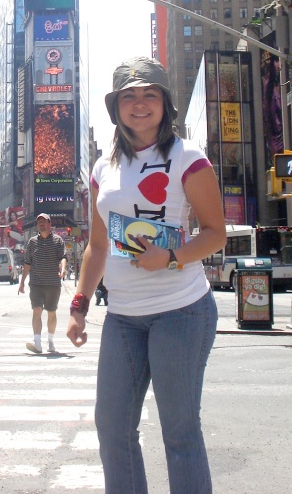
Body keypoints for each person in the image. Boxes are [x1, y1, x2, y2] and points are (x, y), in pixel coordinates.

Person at [66, 56, 226, 494]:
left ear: (165, 104)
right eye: (129, 96)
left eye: (149, 94)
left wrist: (171, 257)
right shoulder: (103, 167)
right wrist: (79, 306)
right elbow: (97, 246)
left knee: (179, 432)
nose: (139, 104)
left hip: (181, 312)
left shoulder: (187, 158)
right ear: (116, 106)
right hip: (122, 318)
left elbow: (216, 234)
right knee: (112, 430)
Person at [19, 212, 67, 354]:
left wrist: (63, 270)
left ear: (49, 224)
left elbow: (63, 257)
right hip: (36, 283)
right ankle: (37, 342)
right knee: (37, 310)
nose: (41, 223)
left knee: (51, 312)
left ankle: (50, 341)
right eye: (39, 221)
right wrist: (22, 282)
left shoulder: (58, 241)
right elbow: (27, 263)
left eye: (44, 221)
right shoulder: (32, 242)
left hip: (53, 283)